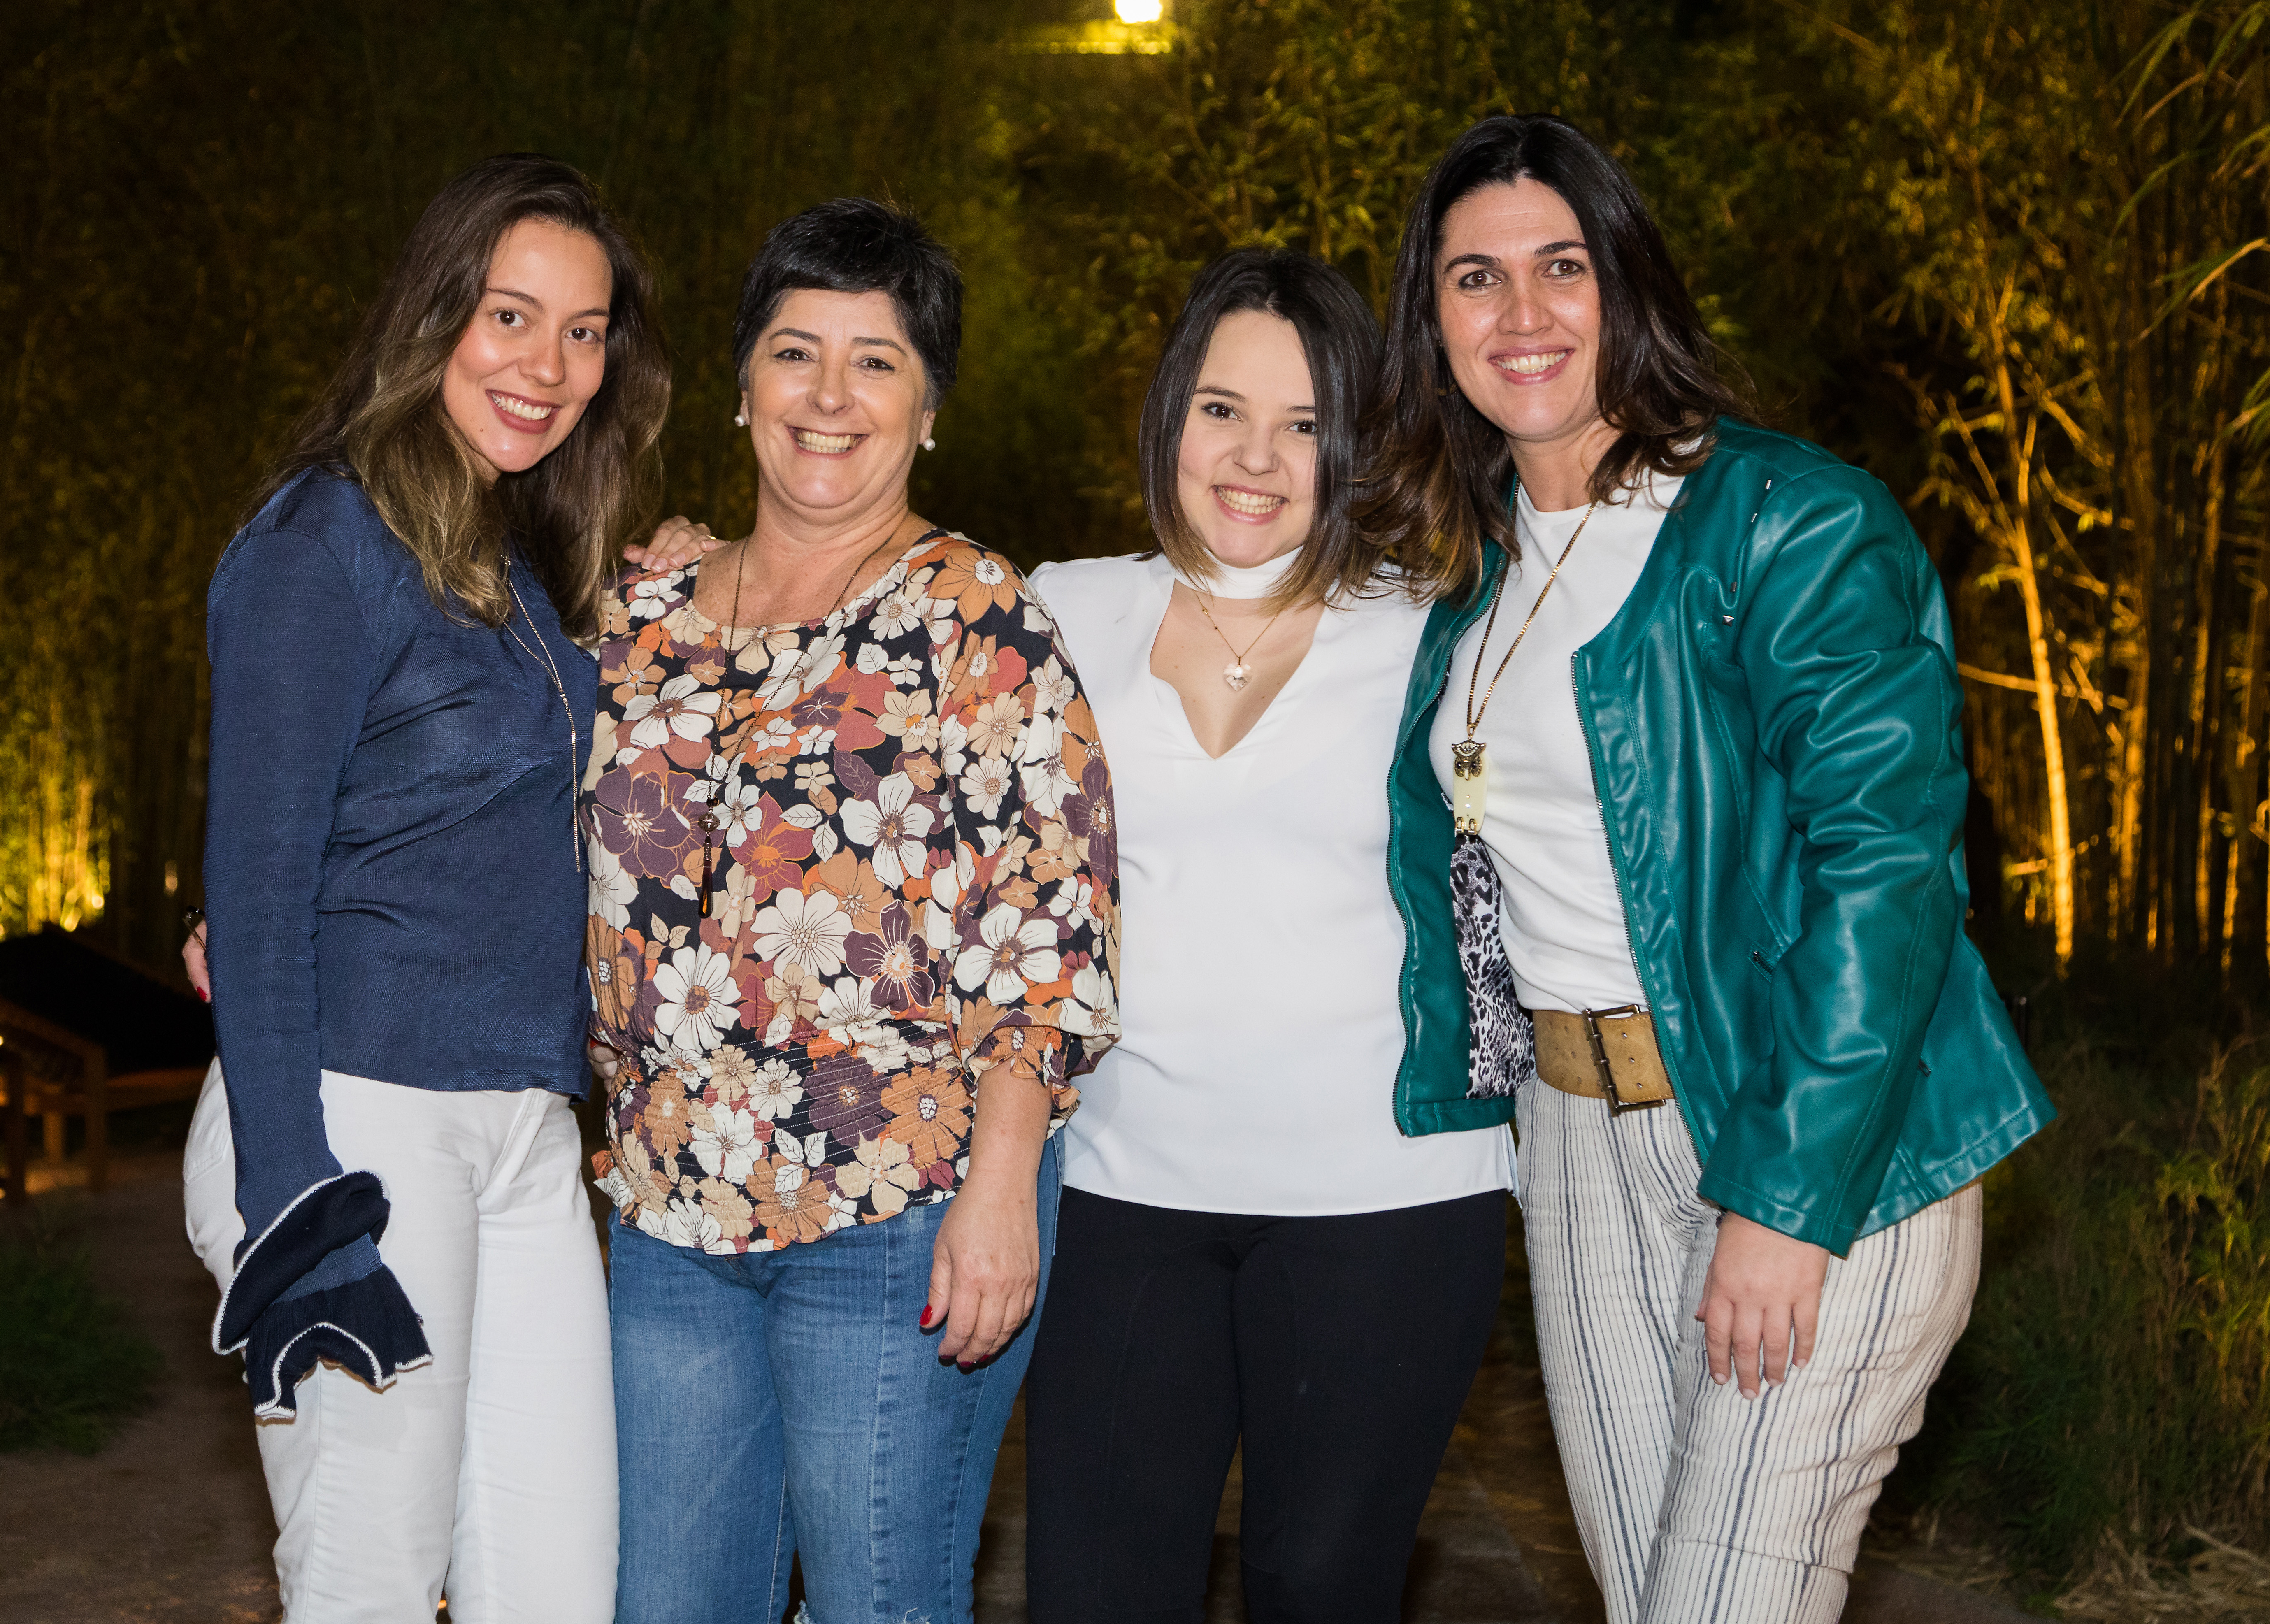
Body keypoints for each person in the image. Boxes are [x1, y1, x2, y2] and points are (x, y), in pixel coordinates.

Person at [1358, 114, 2055, 1622]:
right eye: (1476, 278)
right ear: (1433, 321)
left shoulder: (1788, 521)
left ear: (1630, 285)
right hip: (1576, 1146)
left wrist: (1786, 1201)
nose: (1523, 314)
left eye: (1564, 267)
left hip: (1809, 1133)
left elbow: (1888, 870)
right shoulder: (1459, 568)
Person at [584, 197, 1120, 1624]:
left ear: (930, 408)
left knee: (883, 1604)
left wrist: (1002, 1194)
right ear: (744, 382)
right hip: (670, 1208)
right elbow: (475, 769)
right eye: (796, 352)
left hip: (900, 1210)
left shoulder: (977, 615)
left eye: (876, 362)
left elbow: (1047, 930)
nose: (830, 397)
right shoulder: (640, 606)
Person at [179, 153, 667, 1623]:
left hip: (526, 1134)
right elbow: (255, 898)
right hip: (353, 1128)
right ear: (435, 311)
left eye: (585, 332)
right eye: (511, 317)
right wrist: (295, 1211)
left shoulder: (517, 560)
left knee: (559, 1593)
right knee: (370, 1592)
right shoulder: (322, 541)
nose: (550, 367)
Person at [1018, 250, 1516, 1624]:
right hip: (1123, 1189)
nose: (1258, 458)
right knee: (1097, 1593)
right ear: (1171, 412)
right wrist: (715, 551)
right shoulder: (1060, 605)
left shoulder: (1442, 625)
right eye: (1225, 410)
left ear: (1355, 443)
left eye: (1306, 424)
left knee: (1321, 1593)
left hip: (1390, 1204)